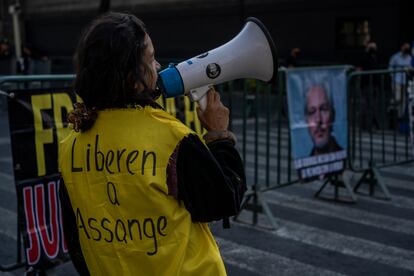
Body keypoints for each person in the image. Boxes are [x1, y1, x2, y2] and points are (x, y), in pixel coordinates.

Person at [58, 12, 246, 276]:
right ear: (131, 77)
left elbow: (76, 238)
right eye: (150, 58)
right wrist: (219, 135)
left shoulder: (70, 147)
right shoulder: (171, 138)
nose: (158, 66)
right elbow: (223, 200)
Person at [304, 84, 342, 155]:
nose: (318, 119)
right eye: (312, 112)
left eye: (324, 109)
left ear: (333, 115)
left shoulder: (344, 160)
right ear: (306, 120)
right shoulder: (304, 163)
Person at [388, 42, 413, 118]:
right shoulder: (395, 57)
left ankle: (400, 117)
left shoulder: (410, 58)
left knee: (404, 100)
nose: (407, 49)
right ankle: (390, 108)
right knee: (397, 98)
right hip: (397, 80)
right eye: (405, 47)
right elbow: (390, 68)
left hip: (406, 81)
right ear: (402, 47)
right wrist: (392, 76)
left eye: (408, 47)